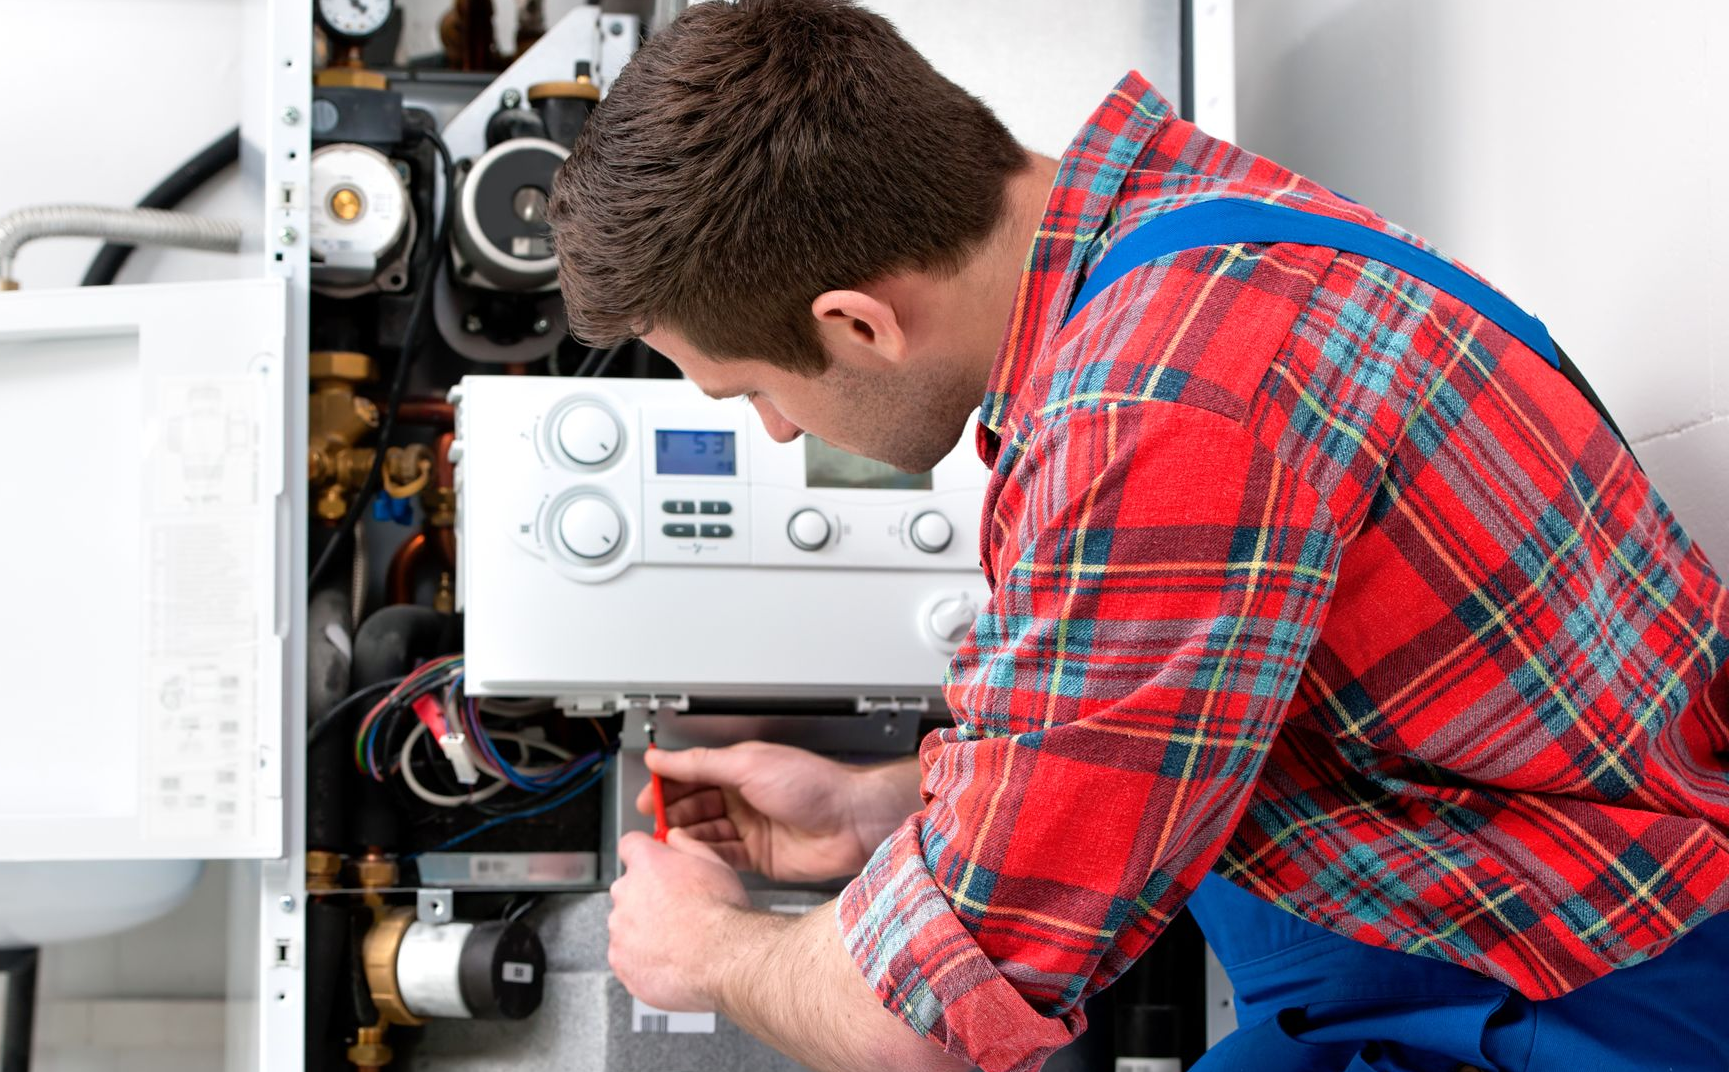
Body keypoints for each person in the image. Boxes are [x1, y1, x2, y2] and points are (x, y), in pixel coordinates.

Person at [545, 2, 1729, 1070]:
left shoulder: (1158, 411)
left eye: (746, 388)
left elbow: (919, 1025)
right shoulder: (1170, 229)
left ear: (856, 323)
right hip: (1456, 899)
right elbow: (1165, 712)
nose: (769, 426)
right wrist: (883, 808)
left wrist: (707, 947)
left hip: (1589, 992)